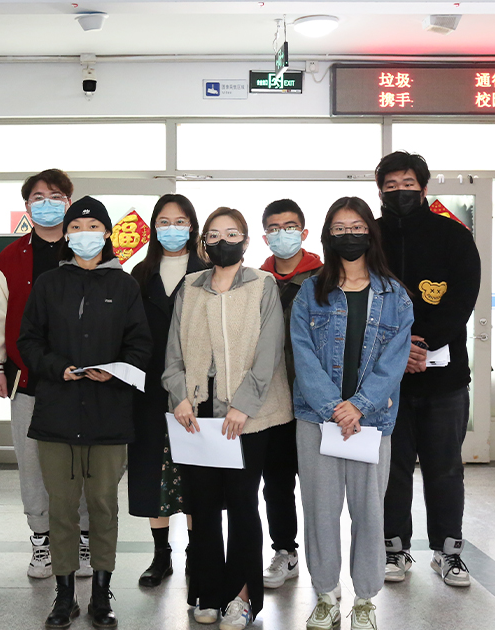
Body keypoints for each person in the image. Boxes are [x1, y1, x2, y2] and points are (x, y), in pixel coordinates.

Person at [19, 196, 152, 629]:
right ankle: (63, 597)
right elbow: (28, 340)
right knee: (61, 507)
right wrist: (57, 367)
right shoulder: (49, 283)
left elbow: (141, 344)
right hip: (56, 413)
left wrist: (114, 372)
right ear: (67, 234)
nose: (84, 234)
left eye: (93, 227)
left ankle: (100, 593)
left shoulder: (124, 285)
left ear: (107, 233)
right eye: (76, 227)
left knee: (102, 506)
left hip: (108, 414)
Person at [164, 207, 292, 630]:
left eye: (232, 233)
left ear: (246, 240)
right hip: (197, 415)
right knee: (201, 505)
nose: (224, 241)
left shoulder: (263, 284)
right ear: (204, 243)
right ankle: (206, 591)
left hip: (247, 417)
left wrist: (243, 404)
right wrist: (180, 396)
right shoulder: (190, 287)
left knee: (241, 505)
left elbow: (270, 351)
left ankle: (241, 597)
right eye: (215, 235)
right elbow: (173, 353)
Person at [290, 197, 414, 630]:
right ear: (328, 236)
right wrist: (333, 407)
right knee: (320, 512)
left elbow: (395, 360)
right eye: (339, 228)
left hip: (372, 422)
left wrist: (359, 405)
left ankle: (365, 600)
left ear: (370, 233)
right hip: (316, 420)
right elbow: (302, 354)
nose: (349, 235)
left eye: (357, 227)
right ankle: (326, 595)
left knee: (369, 513)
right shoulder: (311, 291)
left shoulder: (395, 295)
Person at [375, 152, 481, 587]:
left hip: (445, 380)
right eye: (391, 185)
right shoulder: (370, 237)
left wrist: (422, 344)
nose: (400, 191)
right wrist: (398, 350)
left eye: (407, 183)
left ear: (423, 187)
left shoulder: (452, 235)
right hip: (385, 380)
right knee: (392, 468)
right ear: (380, 190)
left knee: (445, 468)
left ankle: (448, 551)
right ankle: (394, 548)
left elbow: (463, 298)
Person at [0, 168, 92, 579]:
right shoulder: (10, 257)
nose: (47, 204)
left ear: (69, 202)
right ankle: (41, 540)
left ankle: (84, 539)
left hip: (83, 379)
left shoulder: (89, 248)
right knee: (32, 464)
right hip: (28, 379)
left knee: (84, 462)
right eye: (38, 197)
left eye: (56, 196)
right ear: (27, 205)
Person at [127, 194, 206, 587]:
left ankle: (196, 554)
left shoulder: (207, 272)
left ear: (192, 226)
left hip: (197, 389)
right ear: (153, 227)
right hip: (148, 387)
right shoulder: (139, 274)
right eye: (163, 221)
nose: (171, 228)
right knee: (151, 472)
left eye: (180, 221)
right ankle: (161, 555)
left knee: (195, 472)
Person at [257, 199, 323, 589]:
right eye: (274, 228)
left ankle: (324, 557)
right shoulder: (256, 279)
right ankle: (285, 551)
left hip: (317, 400)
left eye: (290, 227)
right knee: (277, 481)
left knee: (319, 484)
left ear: (304, 232)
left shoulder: (324, 277)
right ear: (265, 237)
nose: (282, 234)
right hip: (275, 400)